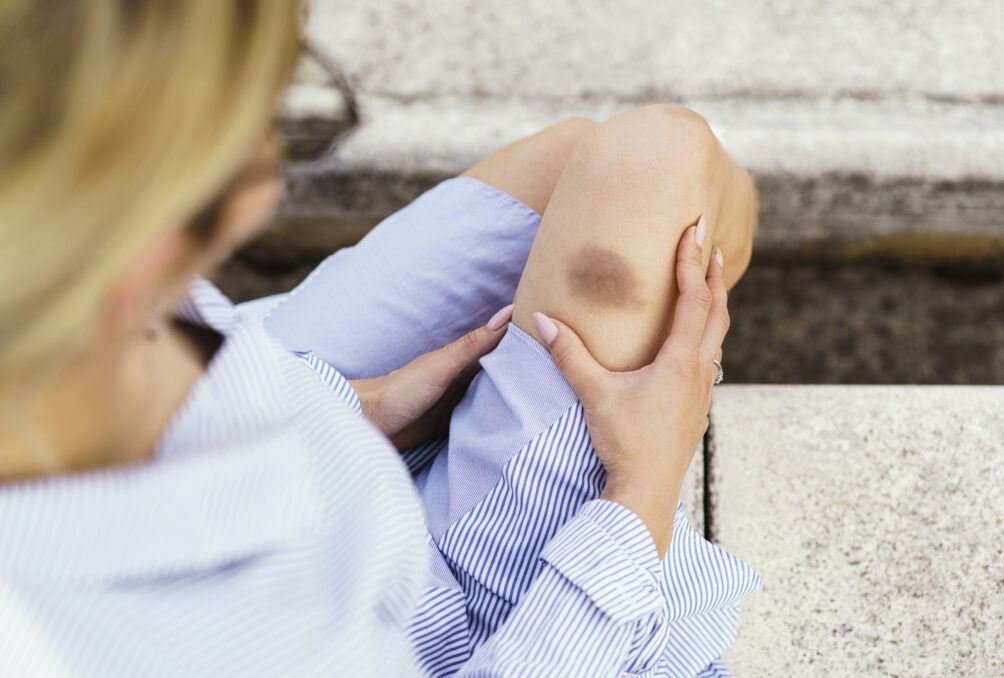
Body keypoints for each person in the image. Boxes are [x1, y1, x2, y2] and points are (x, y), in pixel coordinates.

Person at [0, 1, 758, 676]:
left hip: (305, 411)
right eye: (259, 135)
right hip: (447, 630)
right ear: (144, 250)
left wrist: (357, 408)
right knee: (656, 165)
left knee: (584, 160)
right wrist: (642, 490)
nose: (272, 161)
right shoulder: (171, 639)